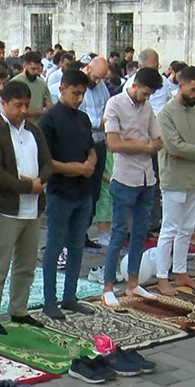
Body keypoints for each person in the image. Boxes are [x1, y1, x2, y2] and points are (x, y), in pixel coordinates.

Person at [0, 80, 52, 331]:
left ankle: (18, 309)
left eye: (26, 105)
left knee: (26, 263)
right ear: (4, 103)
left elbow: (47, 162)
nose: (22, 110)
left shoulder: (33, 131)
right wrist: (26, 187)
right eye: (17, 105)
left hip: (33, 207)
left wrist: (41, 180)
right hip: (7, 208)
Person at [101, 68, 163, 306]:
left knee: (140, 233)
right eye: (145, 93)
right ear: (135, 85)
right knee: (118, 234)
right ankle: (108, 286)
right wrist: (144, 146)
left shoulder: (147, 108)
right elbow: (114, 143)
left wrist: (141, 145)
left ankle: (133, 284)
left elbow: (157, 141)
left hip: (147, 178)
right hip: (125, 178)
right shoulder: (115, 104)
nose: (146, 98)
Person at [39, 70, 96, 319]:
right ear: (62, 90)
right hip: (60, 191)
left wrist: (90, 163)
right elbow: (46, 161)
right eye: (75, 93)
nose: (79, 98)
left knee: (76, 246)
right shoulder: (49, 119)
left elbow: (91, 149)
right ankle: (49, 299)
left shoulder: (83, 119)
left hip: (83, 191)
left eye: (82, 93)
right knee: (54, 246)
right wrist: (75, 169)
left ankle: (70, 296)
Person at [154, 66, 195, 296]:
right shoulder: (165, 113)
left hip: (193, 177)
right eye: (194, 89)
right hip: (174, 178)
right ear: (181, 85)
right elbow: (173, 146)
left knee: (187, 229)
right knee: (169, 229)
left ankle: (180, 272)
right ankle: (161, 277)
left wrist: (193, 150)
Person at [79, 57, 112, 248]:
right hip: (83, 142)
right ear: (88, 68)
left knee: (95, 192)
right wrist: (97, 123)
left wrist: (103, 123)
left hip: (99, 142)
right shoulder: (77, 83)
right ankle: (77, 233)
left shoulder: (101, 87)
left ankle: (84, 231)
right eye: (96, 77)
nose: (98, 81)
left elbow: (106, 109)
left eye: (101, 78)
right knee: (82, 190)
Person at [10, 51, 50, 122]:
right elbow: (15, 110)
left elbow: (49, 106)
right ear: (24, 65)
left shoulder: (42, 84)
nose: (36, 72)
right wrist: (41, 111)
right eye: (33, 69)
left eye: (38, 69)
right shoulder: (15, 83)